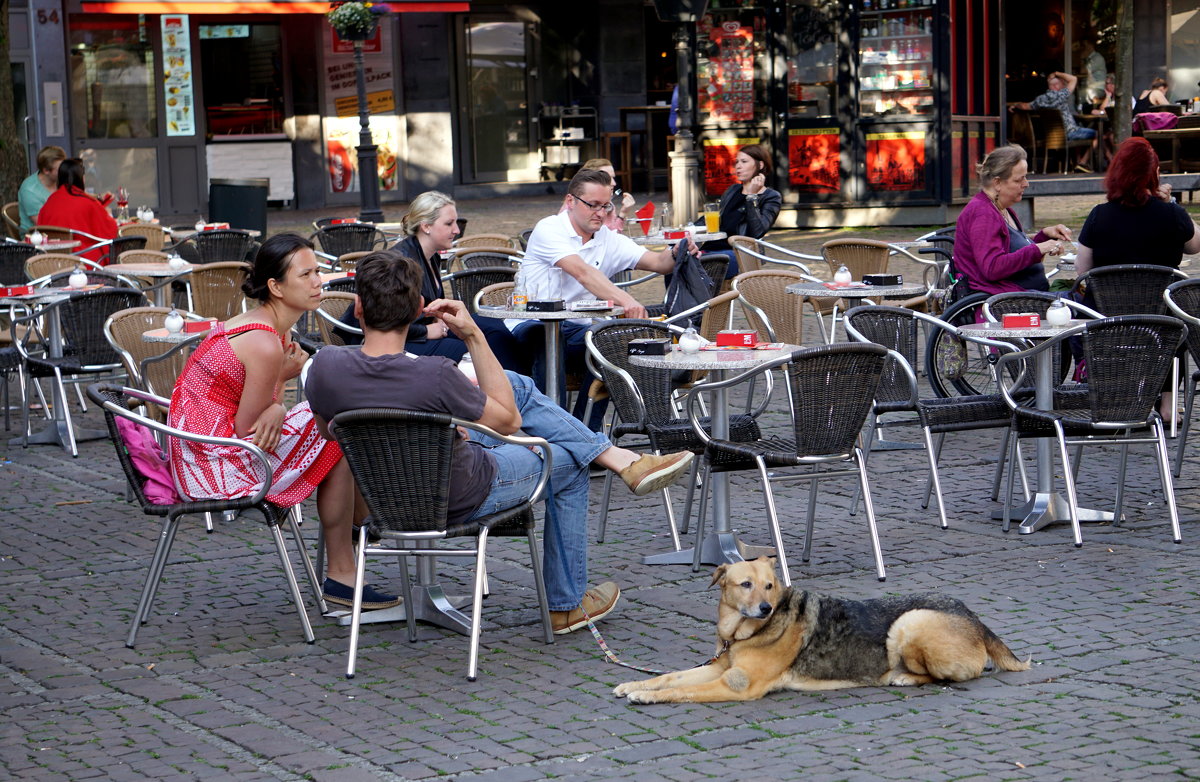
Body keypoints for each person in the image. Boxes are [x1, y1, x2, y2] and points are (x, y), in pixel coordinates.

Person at [304, 251, 695, 633]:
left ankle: (618, 458)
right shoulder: (437, 375)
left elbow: (329, 431)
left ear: (358, 309)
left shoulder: (325, 365)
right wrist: (473, 335)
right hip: (457, 495)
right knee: (570, 462)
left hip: (384, 495)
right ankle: (567, 604)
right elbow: (509, 421)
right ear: (418, 310)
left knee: (518, 384)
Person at [169, 234, 399, 611]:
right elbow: (250, 433)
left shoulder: (273, 328)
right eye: (306, 274)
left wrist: (278, 397)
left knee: (332, 423)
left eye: (318, 272)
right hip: (211, 463)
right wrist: (281, 384)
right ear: (275, 287)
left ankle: (357, 535)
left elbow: (257, 418)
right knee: (334, 424)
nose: (318, 282)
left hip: (204, 444)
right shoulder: (263, 342)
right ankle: (349, 555)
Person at [514, 167, 694, 413]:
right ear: (570, 201)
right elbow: (582, 272)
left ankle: (584, 429)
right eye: (593, 205)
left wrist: (677, 251)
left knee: (612, 343)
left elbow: (658, 263)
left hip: (577, 327)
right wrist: (625, 299)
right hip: (530, 323)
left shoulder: (606, 238)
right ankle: (552, 426)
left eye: (606, 206)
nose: (600, 213)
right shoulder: (549, 228)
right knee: (548, 337)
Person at [1076, 137, 1200, 424]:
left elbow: (1083, 270)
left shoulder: (1099, 216)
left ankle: (1113, 396)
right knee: (1176, 314)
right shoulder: (1170, 214)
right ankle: (1168, 405)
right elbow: (1196, 245)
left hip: (1108, 319)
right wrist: (1169, 202)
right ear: (1153, 175)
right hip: (1161, 320)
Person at [337, 191, 526, 372]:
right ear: (426, 226)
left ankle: (517, 387)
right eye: (449, 223)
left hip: (424, 329)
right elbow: (382, 317)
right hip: (397, 338)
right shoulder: (400, 262)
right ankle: (501, 391)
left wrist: (442, 321)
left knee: (495, 330)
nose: (457, 230)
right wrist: (427, 331)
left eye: (456, 223)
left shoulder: (431, 256)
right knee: (466, 350)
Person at [953, 144, 1073, 297]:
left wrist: (1044, 237)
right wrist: (1038, 249)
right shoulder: (983, 214)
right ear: (997, 183)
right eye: (1019, 180)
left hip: (1024, 296)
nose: (1026, 184)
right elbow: (992, 268)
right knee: (1088, 299)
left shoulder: (1002, 208)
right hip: (1007, 303)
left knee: (1083, 294)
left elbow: (1014, 252)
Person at [700, 144, 782, 276]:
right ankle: (676, 297)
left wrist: (751, 197)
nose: (738, 166)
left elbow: (757, 232)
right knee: (676, 260)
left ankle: (702, 296)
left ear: (760, 165)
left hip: (740, 252)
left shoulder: (771, 196)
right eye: (737, 162)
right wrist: (686, 230)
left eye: (744, 161)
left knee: (700, 265)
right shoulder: (732, 190)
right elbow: (713, 218)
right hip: (712, 248)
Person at [35, 157, 118, 264]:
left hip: (53, 262)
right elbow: (110, 232)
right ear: (81, 178)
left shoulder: (49, 203)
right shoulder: (89, 203)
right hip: (86, 262)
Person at [1011, 71, 1096, 173]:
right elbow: (1074, 79)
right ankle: (1082, 162)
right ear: (1056, 85)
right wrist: (1056, 73)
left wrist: (1015, 105)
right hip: (1070, 133)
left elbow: (1025, 106)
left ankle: (1077, 164)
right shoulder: (1061, 95)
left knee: (1080, 134)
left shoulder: (1040, 99)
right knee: (1098, 134)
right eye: (1062, 84)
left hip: (1051, 136)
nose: (1064, 85)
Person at [559, 159, 635, 233]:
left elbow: (612, 236)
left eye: (613, 177)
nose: (614, 183)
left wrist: (623, 213)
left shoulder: (608, 205)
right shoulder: (574, 202)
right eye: (607, 178)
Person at [17, 145, 66, 235]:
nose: (65, 171)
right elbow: (43, 225)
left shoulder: (60, 179)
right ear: (46, 170)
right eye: (60, 169)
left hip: (63, 230)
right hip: (38, 238)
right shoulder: (30, 190)